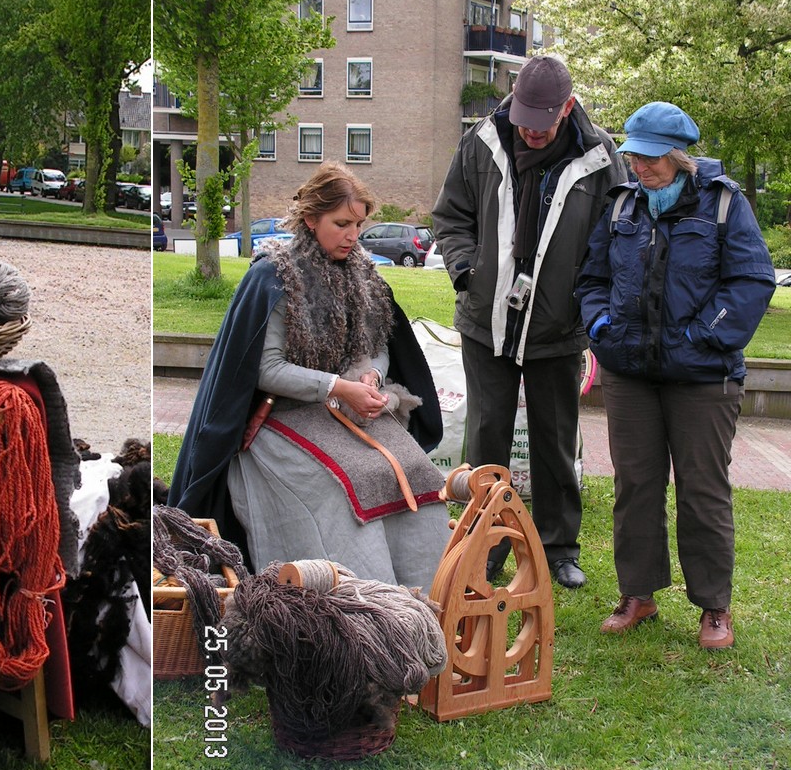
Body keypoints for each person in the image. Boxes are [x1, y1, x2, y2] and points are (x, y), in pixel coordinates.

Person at [168, 162, 448, 592]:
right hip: (280, 417)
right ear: (310, 219)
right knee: (343, 487)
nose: (353, 235)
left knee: (417, 472)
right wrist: (339, 388)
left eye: (358, 224)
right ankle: (359, 610)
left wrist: (371, 376)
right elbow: (265, 369)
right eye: (341, 224)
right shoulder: (274, 277)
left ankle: (424, 599)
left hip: (343, 414)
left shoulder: (365, 277)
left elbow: (377, 343)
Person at [576, 102, 774, 649]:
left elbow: (752, 284)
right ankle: (637, 595)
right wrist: (602, 324)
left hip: (703, 377)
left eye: (650, 159)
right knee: (634, 484)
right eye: (633, 157)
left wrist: (700, 337)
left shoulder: (724, 204)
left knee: (702, 490)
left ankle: (714, 607)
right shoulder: (622, 208)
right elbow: (592, 278)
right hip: (630, 373)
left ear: (678, 157)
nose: (639, 168)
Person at [431, 56, 628, 589]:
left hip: (558, 329)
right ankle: (487, 543)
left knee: (556, 441)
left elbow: (617, 234)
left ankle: (558, 547)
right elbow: (450, 217)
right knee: (487, 439)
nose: (530, 132)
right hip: (485, 322)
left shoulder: (601, 156)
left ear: (567, 108)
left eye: (541, 123)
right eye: (523, 119)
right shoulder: (480, 142)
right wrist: (466, 271)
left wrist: (587, 298)